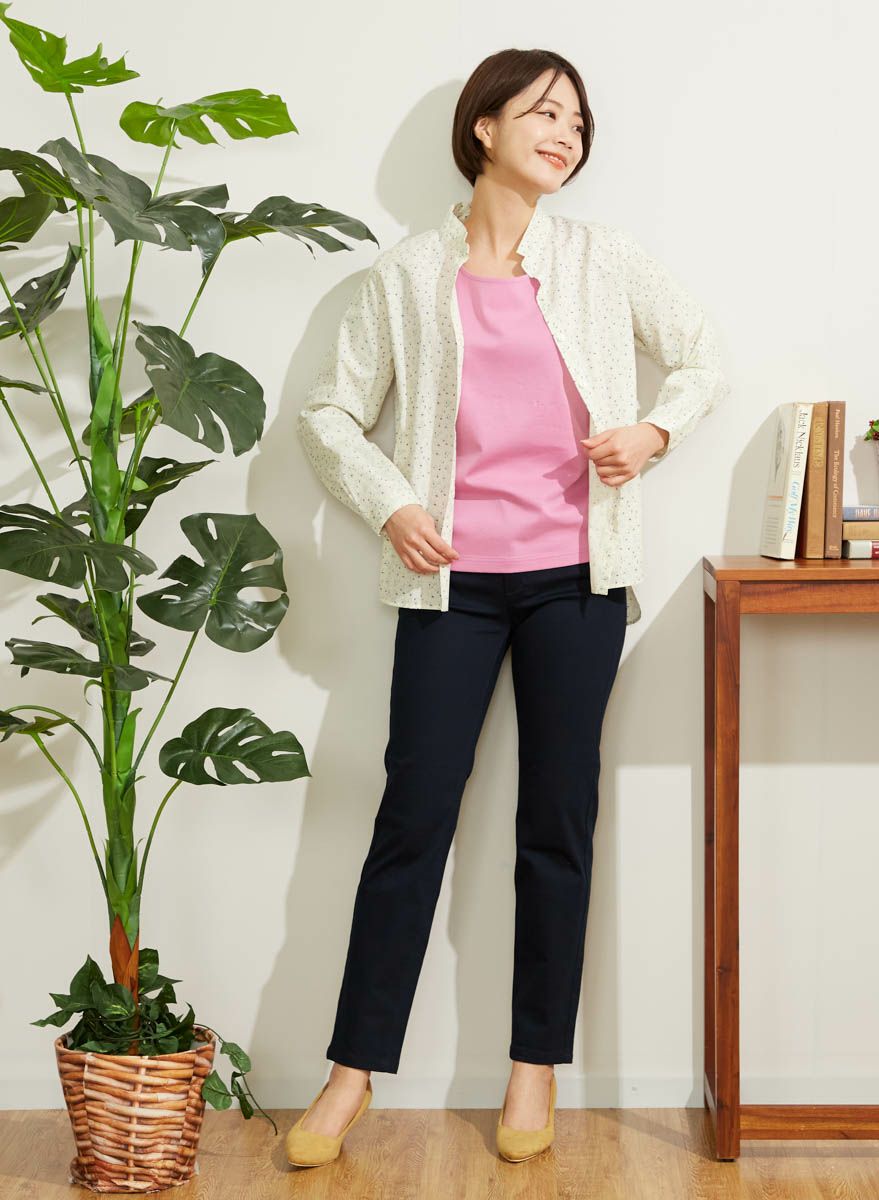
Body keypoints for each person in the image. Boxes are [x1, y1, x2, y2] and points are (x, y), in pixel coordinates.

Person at [289, 48, 729, 1168]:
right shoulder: (406, 276)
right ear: (483, 127)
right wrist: (392, 503)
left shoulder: (601, 259)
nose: (566, 133)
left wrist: (653, 431)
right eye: (543, 112)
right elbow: (329, 414)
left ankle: (535, 1066)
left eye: (578, 120)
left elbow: (702, 354)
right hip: (453, 585)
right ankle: (351, 1074)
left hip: (577, 582)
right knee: (412, 818)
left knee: (557, 822)